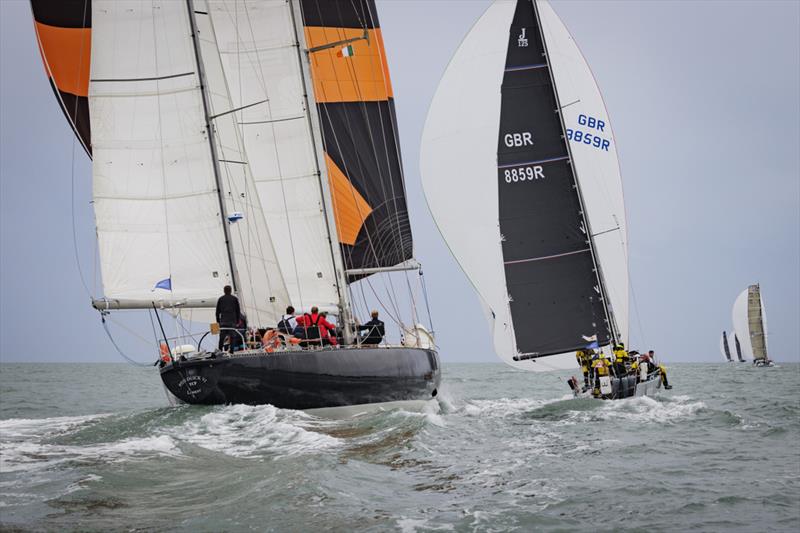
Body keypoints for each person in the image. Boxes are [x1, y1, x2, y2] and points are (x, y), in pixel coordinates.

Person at [216, 285, 241, 352]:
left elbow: (217, 312)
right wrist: (238, 321)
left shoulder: (220, 299)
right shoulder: (235, 299)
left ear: (224, 291)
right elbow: (238, 311)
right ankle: (231, 351)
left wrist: (218, 322)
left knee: (222, 337)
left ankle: (220, 350)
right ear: (231, 290)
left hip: (223, 321)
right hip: (232, 322)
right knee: (232, 336)